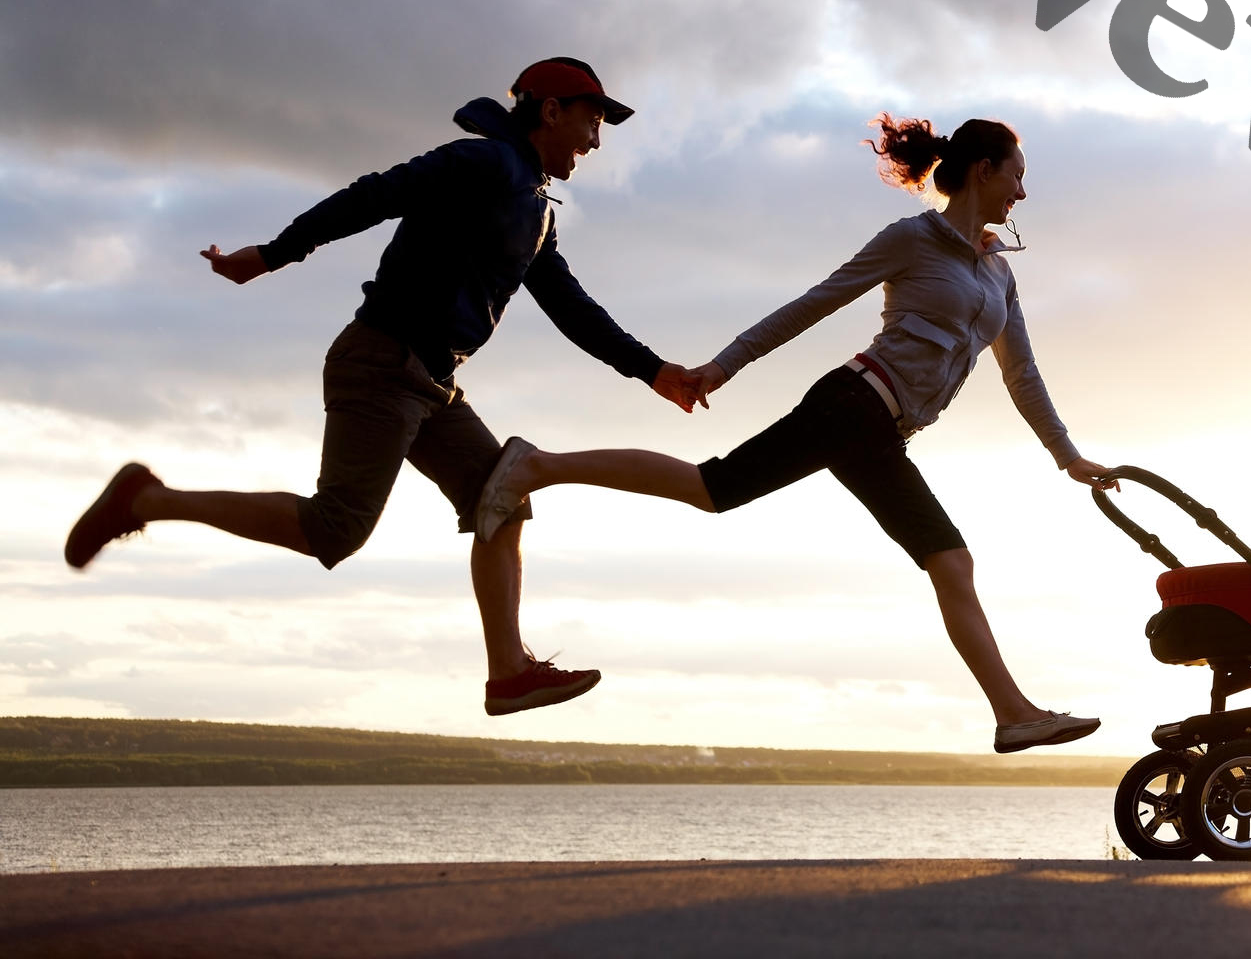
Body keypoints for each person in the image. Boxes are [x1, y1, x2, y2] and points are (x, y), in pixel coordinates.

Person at [64, 57, 698, 716]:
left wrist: (654, 372)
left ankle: (508, 672)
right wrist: (275, 253)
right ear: (551, 111)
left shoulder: (535, 207)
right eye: (592, 121)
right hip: (382, 362)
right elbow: (377, 193)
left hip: (434, 384)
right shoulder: (482, 164)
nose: (595, 140)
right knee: (334, 529)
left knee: (501, 498)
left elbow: (572, 307)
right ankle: (146, 499)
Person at [473, 113, 1114, 752]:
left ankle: (1013, 713)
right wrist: (723, 366)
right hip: (853, 405)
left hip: (882, 432)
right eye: (1017, 177)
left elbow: (1021, 372)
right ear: (985, 171)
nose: (1022, 195)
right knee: (717, 489)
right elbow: (816, 302)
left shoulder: (999, 273)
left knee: (938, 558)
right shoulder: (911, 239)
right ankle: (536, 466)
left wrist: (1069, 458)